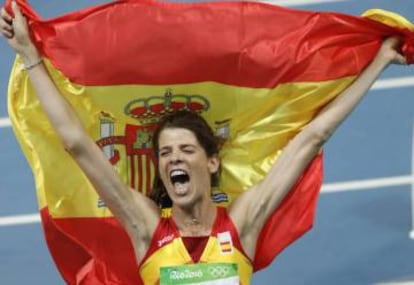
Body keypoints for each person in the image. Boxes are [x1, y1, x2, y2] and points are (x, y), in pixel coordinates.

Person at [1, 1, 407, 284]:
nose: (173, 158)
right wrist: (31, 57)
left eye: (185, 149)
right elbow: (77, 144)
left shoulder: (244, 222)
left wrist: (379, 63)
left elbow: (313, 136)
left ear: (212, 162)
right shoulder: (145, 227)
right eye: (165, 152)